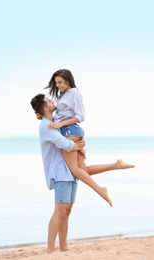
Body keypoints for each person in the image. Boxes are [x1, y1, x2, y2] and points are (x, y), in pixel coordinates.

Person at [31, 93, 134, 252]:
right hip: (60, 172)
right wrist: (79, 144)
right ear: (45, 108)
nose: (53, 101)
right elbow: (65, 144)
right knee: (59, 211)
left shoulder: (55, 121)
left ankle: (63, 247)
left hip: (68, 170)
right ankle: (50, 249)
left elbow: (70, 139)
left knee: (67, 210)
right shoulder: (45, 126)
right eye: (50, 101)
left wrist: (80, 143)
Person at [43, 69, 135, 207]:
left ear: (68, 80)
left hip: (70, 131)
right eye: (56, 83)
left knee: (74, 170)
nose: (58, 85)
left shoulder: (75, 94)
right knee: (83, 171)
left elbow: (80, 116)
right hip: (71, 131)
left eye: (60, 82)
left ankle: (100, 190)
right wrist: (43, 115)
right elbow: (58, 112)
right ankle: (117, 165)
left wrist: (60, 123)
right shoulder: (63, 95)